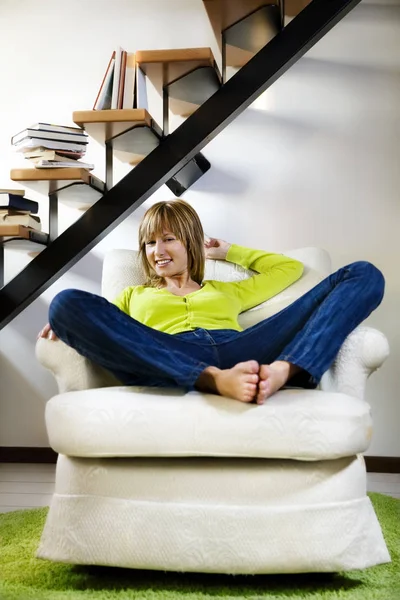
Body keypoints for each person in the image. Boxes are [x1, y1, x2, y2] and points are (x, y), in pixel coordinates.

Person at [38, 199, 385, 405]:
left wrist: (228, 250)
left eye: (169, 239)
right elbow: (111, 331)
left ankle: (284, 371)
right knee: (66, 302)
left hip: (242, 347)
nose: (158, 251)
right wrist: (68, 322)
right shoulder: (134, 295)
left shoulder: (227, 291)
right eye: (149, 243)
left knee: (362, 273)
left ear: (190, 242)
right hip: (171, 354)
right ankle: (212, 379)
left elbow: (288, 268)